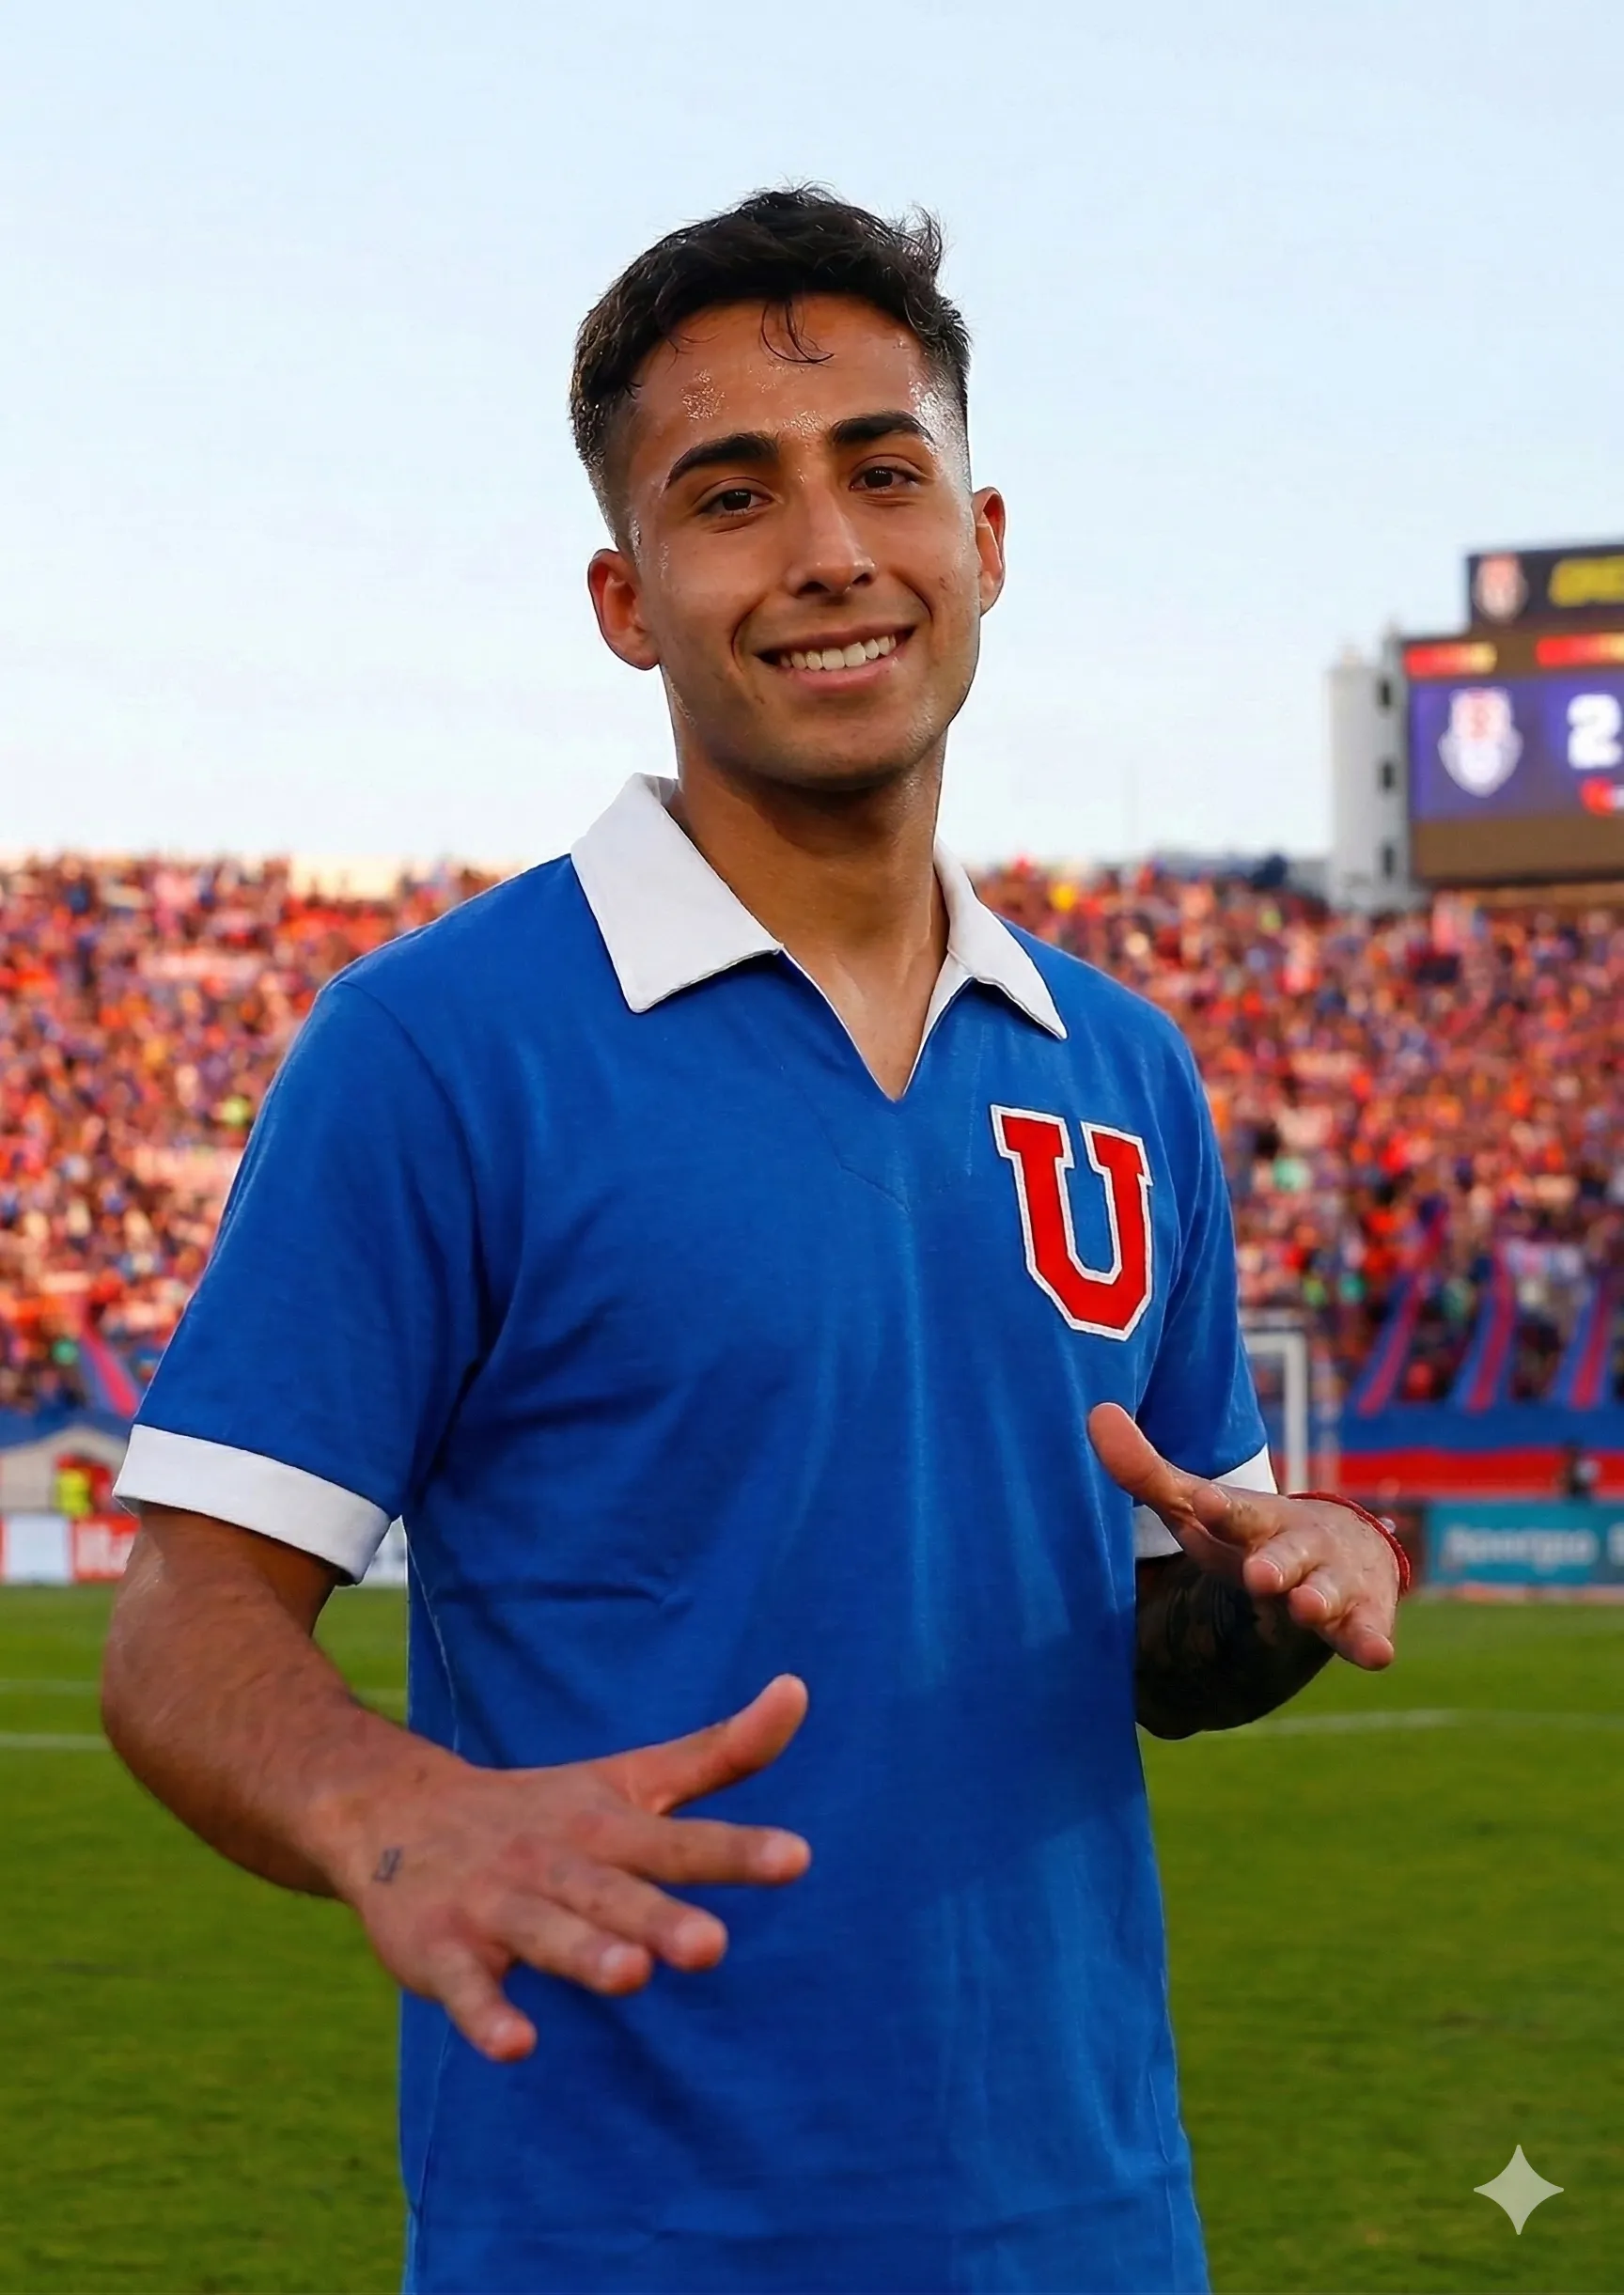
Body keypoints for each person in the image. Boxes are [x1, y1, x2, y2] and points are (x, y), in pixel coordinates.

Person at [102, 188, 1406, 2295]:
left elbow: (1167, 1635)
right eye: (734, 495)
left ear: (985, 540)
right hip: (616, 2238)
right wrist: (387, 1810)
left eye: (884, 471)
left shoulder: (1125, 1069)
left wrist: (1282, 1586)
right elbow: (183, 1621)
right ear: (627, 597)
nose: (827, 552)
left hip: (1092, 2225)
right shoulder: (439, 1047)